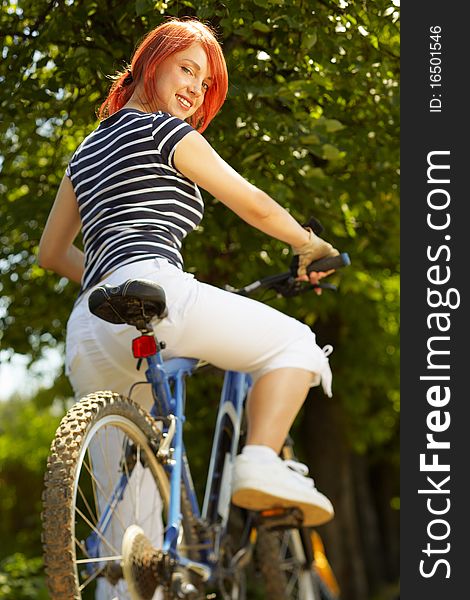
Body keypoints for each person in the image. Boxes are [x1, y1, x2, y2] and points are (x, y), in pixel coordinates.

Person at [39, 16, 338, 595]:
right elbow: (250, 202)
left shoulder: (83, 154)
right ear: (152, 65)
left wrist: (111, 283)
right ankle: (259, 460)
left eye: (204, 84)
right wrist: (309, 245)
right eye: (188, 70)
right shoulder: (164, 133)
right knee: (294, 344)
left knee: (129, 530)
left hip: (92, 323)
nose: (196, 90)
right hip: (160, 288)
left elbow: (51, 253)